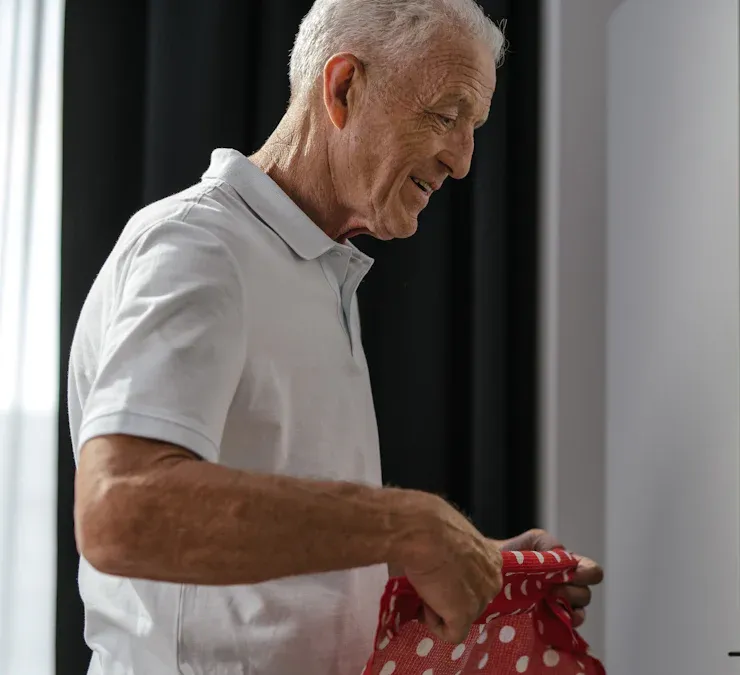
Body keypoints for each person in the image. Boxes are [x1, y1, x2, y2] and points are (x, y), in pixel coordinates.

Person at [65, 1, 602, 673]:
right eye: (446, 116)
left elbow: (284, 579)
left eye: (473, 128)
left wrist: (464, 553)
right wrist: (411, 526)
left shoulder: (318, 272)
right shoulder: (201, 245)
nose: (462, 161)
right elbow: (120, 512)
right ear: (343, 87)